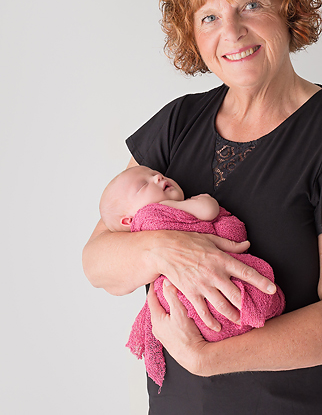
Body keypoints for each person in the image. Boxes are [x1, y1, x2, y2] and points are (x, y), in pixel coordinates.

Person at [83, 0, 322, 414]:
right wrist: (168, 248)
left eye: (251, 6)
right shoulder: (178, 123)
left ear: (287, 8)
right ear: (193, 35)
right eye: (210, 17)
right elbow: (100, 264)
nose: (231, 32)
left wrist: (205, 357)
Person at [99, 165, 285, 388]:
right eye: (143, 184)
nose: (157, 177)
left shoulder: (139, 240)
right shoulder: (154, 213)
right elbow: (209, 212)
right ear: (128, 222)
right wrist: (203, 200)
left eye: (155, 174)